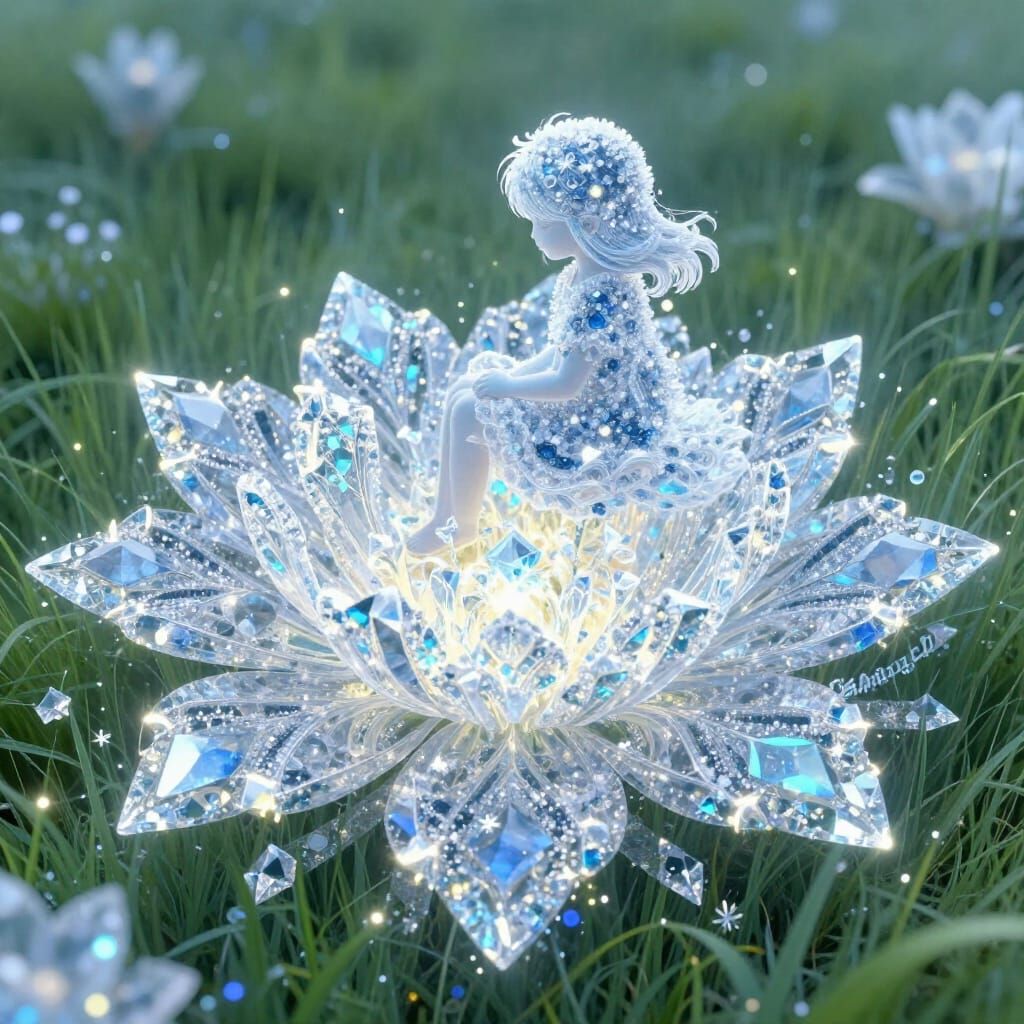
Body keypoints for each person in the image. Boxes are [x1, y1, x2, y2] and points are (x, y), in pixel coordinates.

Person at [406, 114, 749, 556]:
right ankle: (446, 517)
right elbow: (558, 354)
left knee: (472, 410)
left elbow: (567, 384)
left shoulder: (602, 297)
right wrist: (511, 376)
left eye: (542, 223)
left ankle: (461, 525)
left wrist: (509, 386)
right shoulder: (579, 278)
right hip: (585, 401)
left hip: (605, 424)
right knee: (463, 391)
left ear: (587, 223)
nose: (533, 234)